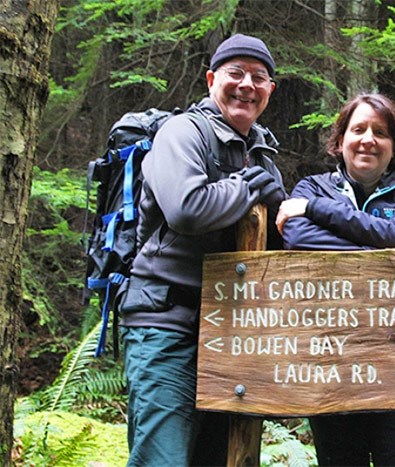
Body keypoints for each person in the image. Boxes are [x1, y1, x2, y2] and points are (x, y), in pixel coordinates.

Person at [118, 33, 286, 466]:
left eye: (259, 77)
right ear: (212, 78)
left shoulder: (263, 151)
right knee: (164, 458)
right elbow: (187, 209)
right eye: (235, 73)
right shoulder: (182, 133)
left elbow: (276, 242)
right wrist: (249, 188)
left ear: (270, 90)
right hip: (167, 324)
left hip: (231, 334)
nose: (247, 85)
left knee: (221, 458)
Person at [276, 93, 395, 466]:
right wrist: (382, 253)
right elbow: (298, 238)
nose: (368, 139)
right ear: (340, 140)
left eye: (380, 132)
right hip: (331, 361)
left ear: (394, 144)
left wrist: (318, 212)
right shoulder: (313, 185)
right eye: (358, 129)